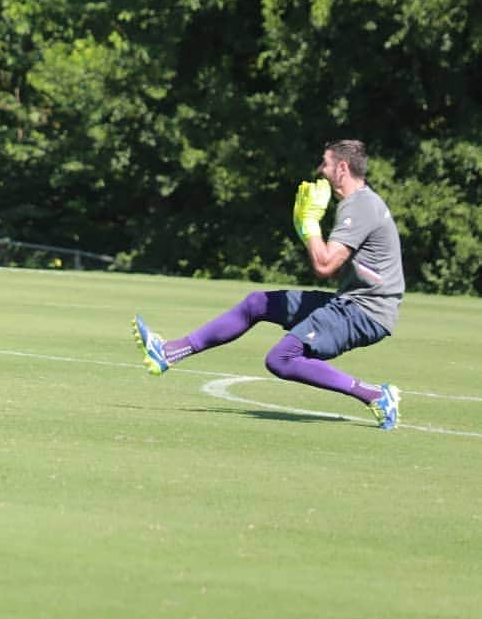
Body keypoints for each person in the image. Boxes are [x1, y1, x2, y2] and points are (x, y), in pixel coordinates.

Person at [132, 139, 404, 430]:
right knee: (257, 304)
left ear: (342, 168)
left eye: (325, 163)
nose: (320, 169)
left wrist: (309, 225)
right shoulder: (358, 204)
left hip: (364, 312)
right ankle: (169, 353)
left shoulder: (360, 207)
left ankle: (375, 395)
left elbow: (325, 265)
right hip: (352, 302)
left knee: (281, 359)